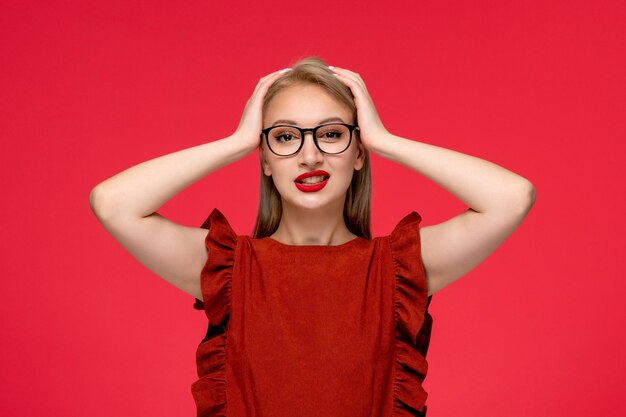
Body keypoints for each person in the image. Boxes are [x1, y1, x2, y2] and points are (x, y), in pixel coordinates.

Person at [90, 56, 535, 417]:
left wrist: (385, 140)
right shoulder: (230, 270)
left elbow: (512, 197)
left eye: (331, 134)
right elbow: (113, 202)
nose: (309, 155)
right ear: (265, 158)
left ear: (357, 153)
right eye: (284, 137)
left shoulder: (395, 271)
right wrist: (237, 141)